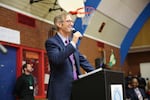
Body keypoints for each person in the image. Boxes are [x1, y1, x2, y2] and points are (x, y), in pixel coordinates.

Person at [45, 13, 95, 100]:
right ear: (59, 24)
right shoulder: (51, 42)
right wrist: (73, 43)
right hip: (60, 92)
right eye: (68, 21)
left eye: (72, 21)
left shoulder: (72, 44)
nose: (72, 24)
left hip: (76, 89)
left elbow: (82, 61)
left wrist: (97, 73)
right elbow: (57, 59)